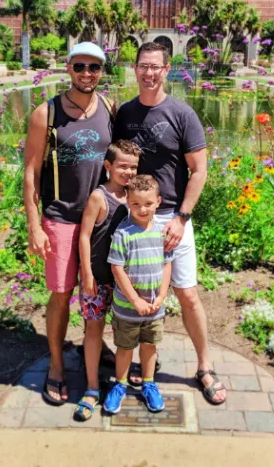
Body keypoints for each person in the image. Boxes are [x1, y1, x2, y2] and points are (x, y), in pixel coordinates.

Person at [114, 41, 227, 405]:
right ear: (135, 68)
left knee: (187, 292)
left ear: (167, 70)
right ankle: (148, 358)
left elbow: (199, 171)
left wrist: (181, 218)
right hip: (134, 218)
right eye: (143, 66)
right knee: (136, 290)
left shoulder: (182, 114)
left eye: (156, 67)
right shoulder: (125, 113)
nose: (149, 73)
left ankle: (205, 365)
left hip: (172, 216)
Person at [24, 41, 115, 406]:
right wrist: (33, 223)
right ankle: (57, 366)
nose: (87, 74)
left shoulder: (109, 107)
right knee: (62, 294)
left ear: (101, 71)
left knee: (97, 291)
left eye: (94, 67)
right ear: (68, 68)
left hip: (101, 220)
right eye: (80, 66)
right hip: (61, 218)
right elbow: (31, 171)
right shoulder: (46, 114)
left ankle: (95, 342)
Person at [73, 139, 142, 421]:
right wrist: (86, 273)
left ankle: (123, 377)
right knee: (93, 329)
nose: (128, 172)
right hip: (98, 278)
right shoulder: (99, 198)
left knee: (126, 330)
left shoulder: (134, 197)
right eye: (122, 166)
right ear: (108, 166)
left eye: (133, 168)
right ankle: (91, 386)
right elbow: (85, 235)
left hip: (124, 280)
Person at [103, 175, 174, 414]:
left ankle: (149, 383)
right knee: (125, 348)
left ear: (158, 202)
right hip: (127, 308)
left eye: (148, 204)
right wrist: (135, 300)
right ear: (128, 203)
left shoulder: (162, 233)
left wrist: (162, 296)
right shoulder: (124, 233)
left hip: (154, 307)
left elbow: (167, 264)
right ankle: (120, 385)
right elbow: (117, 268)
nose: (142, 209)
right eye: (135, 204)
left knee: (149, 346)